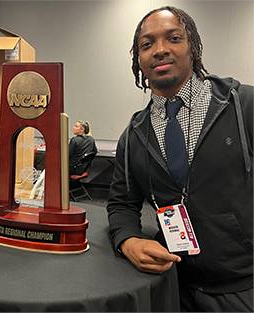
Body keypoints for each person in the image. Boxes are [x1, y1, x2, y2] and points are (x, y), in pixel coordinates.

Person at [106, 6, 252, 312]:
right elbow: (121, 204)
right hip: (171, 284)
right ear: (138, 61)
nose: (160, 50)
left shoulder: (243, 107)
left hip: (243, 287)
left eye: (173, 38)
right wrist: (129, 240)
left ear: (193, 47)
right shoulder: (134, 134)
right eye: (147, 45)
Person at [29, 120, 97, 200]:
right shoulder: (91, 139)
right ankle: (39, 193)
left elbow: (66, 155)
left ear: (82, 130)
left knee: (48, 169)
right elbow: (94, 152)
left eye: (76, 126)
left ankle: (37, 194)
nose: (73, 128)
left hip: (72, 169)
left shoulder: (74, 140)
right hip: (82, 169)